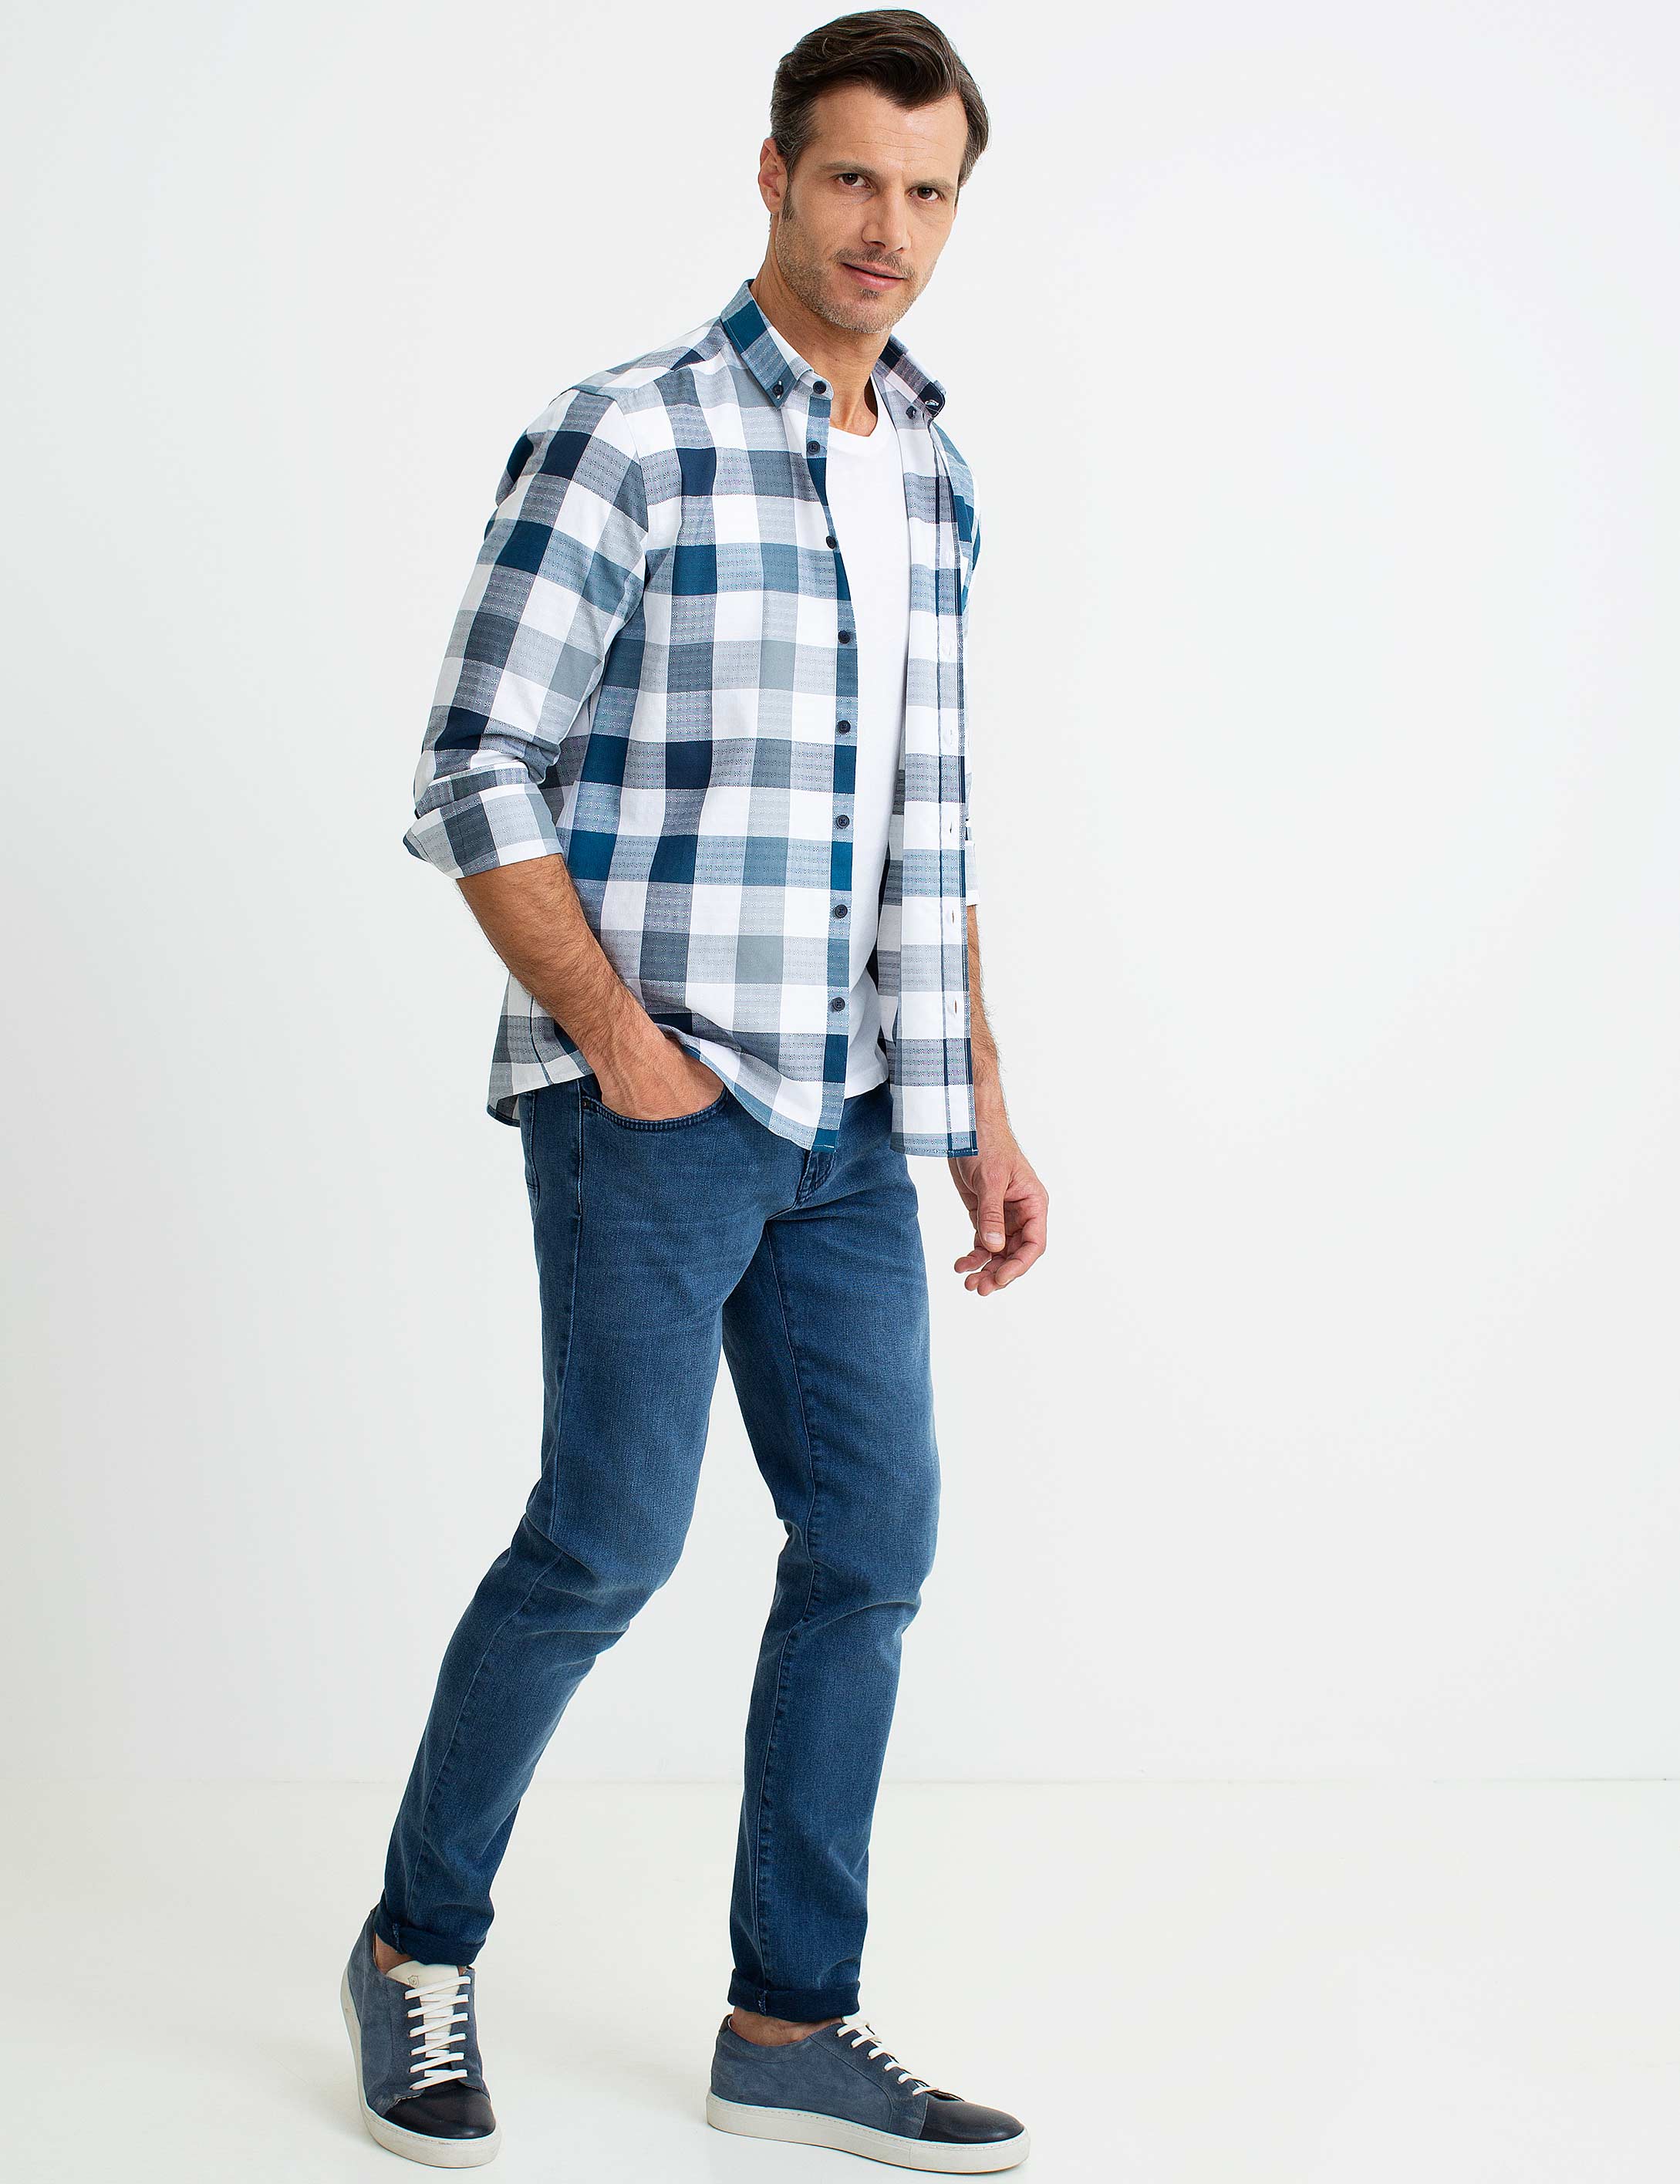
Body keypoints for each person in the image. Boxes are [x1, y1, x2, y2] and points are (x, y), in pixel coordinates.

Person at [340, 10, 1048, 2170]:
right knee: (606, 1542)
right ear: (772, 177)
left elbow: (921, 827)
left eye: (926, 192)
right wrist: (625, 1048)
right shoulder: (627, 435)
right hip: (655, 1110)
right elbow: (474, 768)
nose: (887, 229)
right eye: (852, 180)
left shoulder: (936, 474)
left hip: (855, 1125)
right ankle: (415, 1945)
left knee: (872, 1548)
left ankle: (788, 2021)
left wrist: (977, 1105)